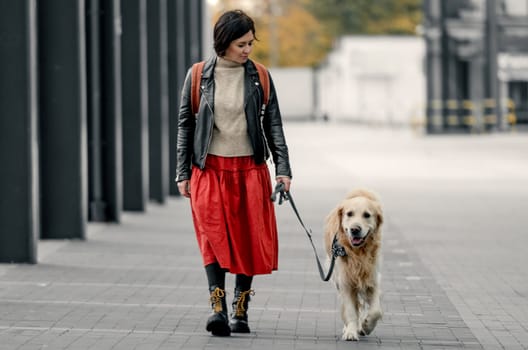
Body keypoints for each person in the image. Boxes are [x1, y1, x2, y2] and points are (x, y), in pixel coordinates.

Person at [175, 9, 292, 337]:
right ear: (224, 42)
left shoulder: (261, 76)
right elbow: (186, 123)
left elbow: (274, 124)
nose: (247, 50)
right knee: (212, 238)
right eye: (241, 44)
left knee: (247, 240)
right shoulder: (199, 75)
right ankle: (218, 307)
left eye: (251, 44)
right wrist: (181, 171)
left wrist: (283, 169)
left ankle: (241, 309)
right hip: (209, 170)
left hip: (250, 171)